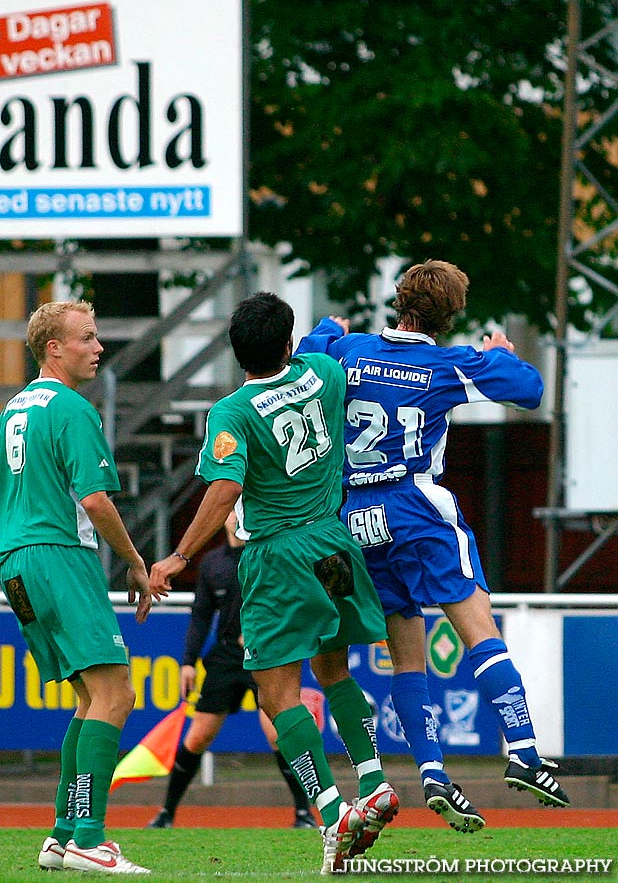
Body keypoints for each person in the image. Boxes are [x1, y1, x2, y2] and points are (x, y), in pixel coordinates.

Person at [297, 259, 570, 814]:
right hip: (416, 507)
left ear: (398, 301)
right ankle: (523, 753)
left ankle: (433, 775)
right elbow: (531, 391)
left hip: (353, 519)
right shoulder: (447, 365)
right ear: (450, 316)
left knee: (406, 658)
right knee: (479, 632)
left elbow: (306, 354)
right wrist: (500, 354)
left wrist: (330, 329)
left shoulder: (349, 353)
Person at [150, 291, 399, 875]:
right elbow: (312, 352)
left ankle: (334, 811)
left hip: (278, 554)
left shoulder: (232, 413)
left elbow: (224, 489)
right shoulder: (326, 373)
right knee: (335, 670)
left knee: (276, 693)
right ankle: (374, 782)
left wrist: (181, 555)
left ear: (238, 353)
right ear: (288, 345)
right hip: (333, 542)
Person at [0, 300, 157, 876]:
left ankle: (64, 835)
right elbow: (93, 499)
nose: (98, 348)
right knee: (117, 695)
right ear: (53, 348)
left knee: (91, 699)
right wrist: (137, 562)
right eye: (87, 338)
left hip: (15, 563)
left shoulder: (14, 409)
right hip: (58, 556)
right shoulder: (70, 408)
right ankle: (91, 836)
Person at [148, 510, 317, 830]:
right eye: (229, 509)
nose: (235, 515)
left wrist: (263, 631)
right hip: (225, 658)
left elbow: (290, 602)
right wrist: (188, 662)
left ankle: (303, 813)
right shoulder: (212, 563)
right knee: (198, 737)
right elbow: (200, 616)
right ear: (222, 518)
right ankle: (166, 813)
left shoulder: (268, 553)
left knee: (279, 735)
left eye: (242, 506)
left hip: (266, 654)